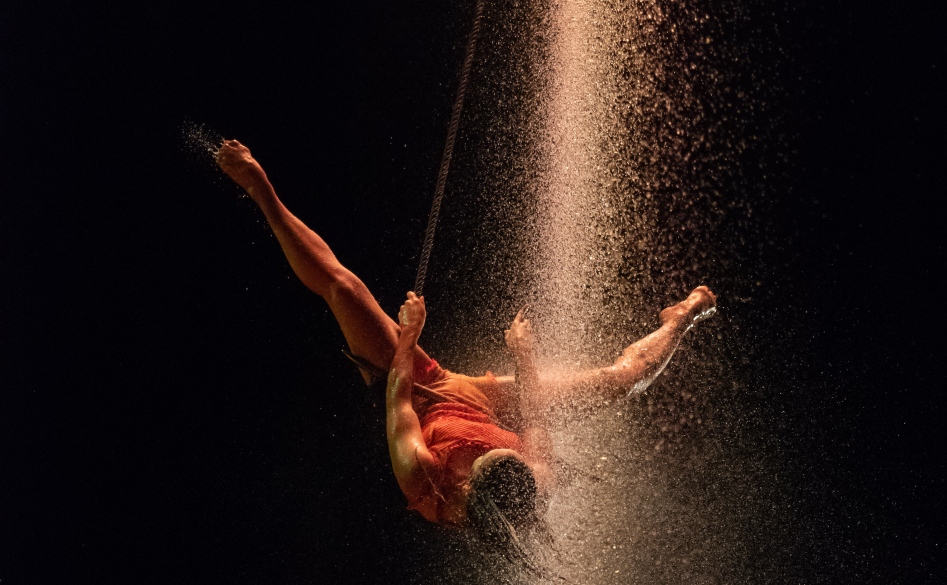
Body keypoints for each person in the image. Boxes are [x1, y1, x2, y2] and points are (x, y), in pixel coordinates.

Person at [216, 139, 716, 547]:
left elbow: (397, 404)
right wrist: (524, 356)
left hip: (420, 393)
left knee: (343, 288)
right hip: (486, 404)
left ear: (469, 479)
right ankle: (681, 318)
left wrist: (409, 336)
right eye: (510, 454)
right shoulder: (534, 481)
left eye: (491, 457)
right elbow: (535, 412)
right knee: (619, 382)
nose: (501, 451)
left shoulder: (424, 481)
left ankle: (258, 185)